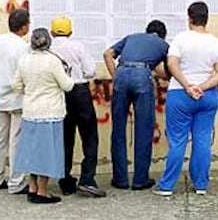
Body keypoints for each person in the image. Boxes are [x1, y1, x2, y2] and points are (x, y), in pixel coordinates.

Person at [152, 2, 218, 196]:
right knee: (202, 140)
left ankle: (167, 186)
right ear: (206, 18)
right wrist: (202, 86)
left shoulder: (181, 39)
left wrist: (187, 85)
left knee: (177, 141)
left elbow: (172, 64)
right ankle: (201, 185)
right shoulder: (216, 42)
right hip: (208, 95)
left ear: (189, 17)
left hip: (180, 94)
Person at [103, 20, 169, 190]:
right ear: (162, 34)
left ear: (147, 31)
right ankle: (140, 180)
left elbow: (107, 54)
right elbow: (169, 69)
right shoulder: (162, 44)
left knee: (118, 130)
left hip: (122, 74)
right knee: (144, 129)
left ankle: (120, 179)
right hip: (142, 77)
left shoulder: (131, 37)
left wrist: (116, 76)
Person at [13, 27, 74, 204]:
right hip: (50, 112)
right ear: (48, 42)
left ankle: (32, 187)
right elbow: (67, 85)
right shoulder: (53, 61)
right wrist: (68, 74)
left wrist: (31, 91)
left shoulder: (24, 60)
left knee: (33, 152)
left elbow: (16, 85)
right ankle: (42, 191)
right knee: (47, 153)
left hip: (30, 111)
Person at [50, 16, 106, 197]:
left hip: (58, 93)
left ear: (52, 32)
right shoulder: (78, 46)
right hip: (79, 91)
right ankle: (87, 178)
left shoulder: (49, 49)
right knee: (89, 136)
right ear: (70, 32)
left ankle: (65, 180)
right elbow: (90, 71)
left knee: (65, 138)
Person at [0, 8, 30, 194]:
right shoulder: (23, 47)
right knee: (16, 141)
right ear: (24, 26)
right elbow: (26, 75)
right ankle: (16, 183)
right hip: (17, 100)